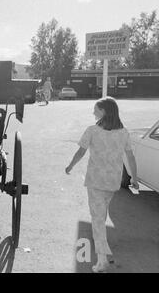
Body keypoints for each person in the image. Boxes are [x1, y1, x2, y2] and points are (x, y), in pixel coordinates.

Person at [65, 97, 139, 273]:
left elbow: (81, 151)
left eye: (96, 109)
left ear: (104, 111)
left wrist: (70, 166)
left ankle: (102, 260)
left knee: (97, 219)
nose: (93, 112)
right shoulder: (123, 132)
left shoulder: (92, 131)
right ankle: (101, 245)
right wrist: (134, 178)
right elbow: (130, 157)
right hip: (112, 182)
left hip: (96, 181)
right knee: (101, 215)